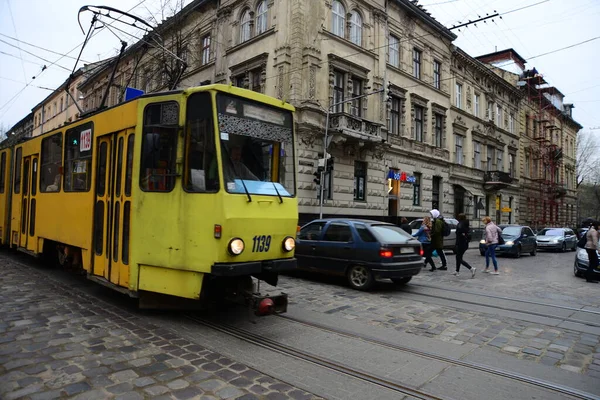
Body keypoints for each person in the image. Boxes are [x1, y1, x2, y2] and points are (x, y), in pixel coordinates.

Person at [454, 213, 475, 278]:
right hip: (464, 243)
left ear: (460, 218)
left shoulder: (461, 224)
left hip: (461, 243)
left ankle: (471, 268)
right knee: (458, 257)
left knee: (459, 258)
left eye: (458, 217)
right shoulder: (465, 224)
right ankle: (457, 271)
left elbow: (459, 232)